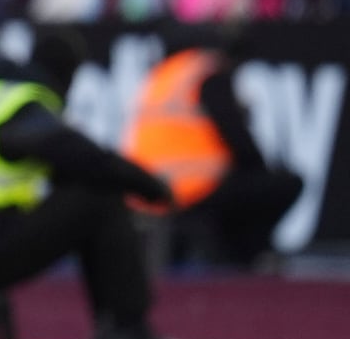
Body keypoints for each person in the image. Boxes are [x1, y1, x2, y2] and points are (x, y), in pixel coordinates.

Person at [0, 29, 191, 339]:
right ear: (68, 75)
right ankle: (127, 330)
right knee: (99, 197)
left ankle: (115, 330)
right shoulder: (24, 103)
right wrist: (149, 185)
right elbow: (79, 155)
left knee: (90, 194)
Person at [122, 29, 303, 268]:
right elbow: (239, 141)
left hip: (146, 192)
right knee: (284, 183)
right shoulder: (207, 73)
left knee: (241, 186)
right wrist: (259, 169)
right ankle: (249, 254)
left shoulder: (162, 75)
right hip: (192, 191)